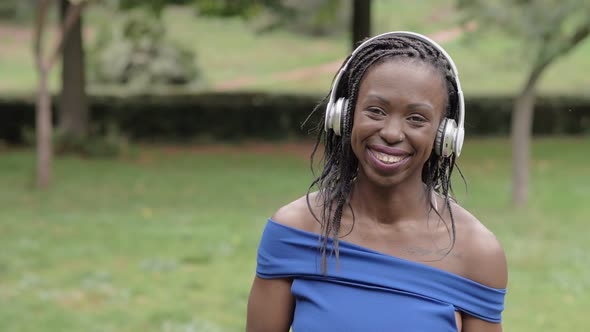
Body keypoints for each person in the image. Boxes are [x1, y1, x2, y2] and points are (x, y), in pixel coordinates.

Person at [246, 31, 507, 332]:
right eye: (376, 111)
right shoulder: (295, 229)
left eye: (417, 119)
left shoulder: (477, 254)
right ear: (344, 116)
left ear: (444, 137)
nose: (392, 133)